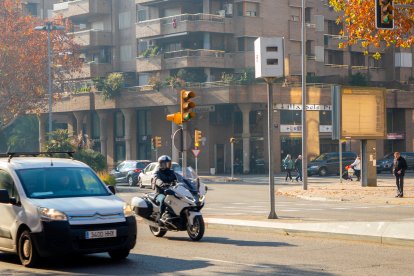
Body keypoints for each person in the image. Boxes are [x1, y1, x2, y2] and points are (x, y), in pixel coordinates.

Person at [152, 155, 177, 223]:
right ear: (161, 164)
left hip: (171, 191)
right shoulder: (157, 172)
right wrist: (162, 184)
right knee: (163, 199)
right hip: (160, 193)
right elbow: (156, 179)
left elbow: (178, 178)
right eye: (166, 163)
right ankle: (160, 218)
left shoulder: (171, 172)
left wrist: (187, 182)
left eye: (169, 163)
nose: (167, 165)